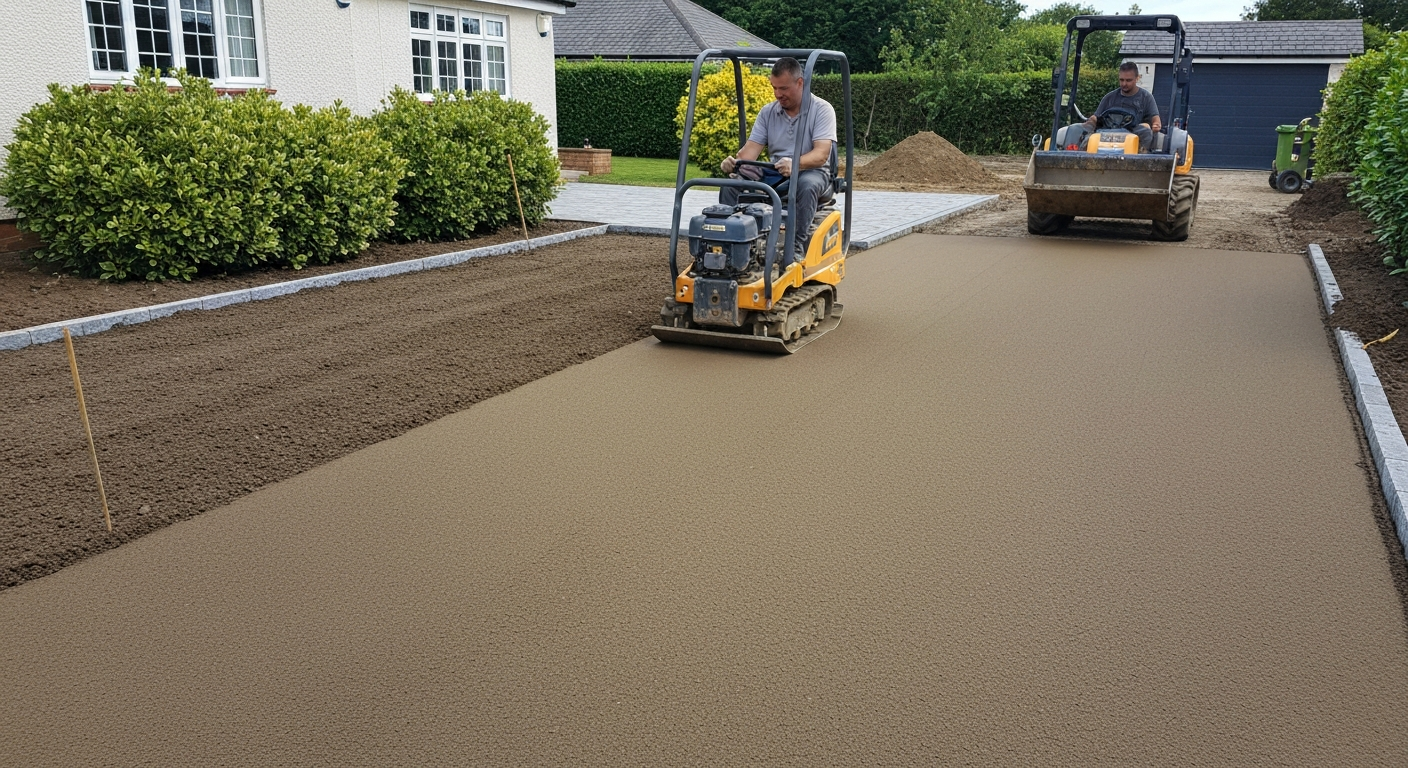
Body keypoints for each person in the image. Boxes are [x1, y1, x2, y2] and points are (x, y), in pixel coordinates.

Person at [719, 57, 836, 266]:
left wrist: (795, 164)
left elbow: (821, 154)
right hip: (776, 172)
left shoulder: (822, 110)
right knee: (731, 185)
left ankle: (796, 247)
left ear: (800, 83)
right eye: (774, 88)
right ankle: (731, 243)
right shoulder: (768, 112)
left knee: (805, 185)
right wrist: (733, 163)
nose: (777, 94)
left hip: (812, 171)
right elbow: (749, 153)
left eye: (783, 88)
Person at [1085, 61, 1162, 152]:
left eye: (1128, 80)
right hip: (1107, 133)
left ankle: (1142, 156)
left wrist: (1156, 124)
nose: (1124, 84)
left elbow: (1156, 119)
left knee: (1146, 131)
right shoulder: (1109, 98)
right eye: (1121, 80)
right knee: (1080, 130)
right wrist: (1090, 122)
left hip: (1132, 134)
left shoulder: (1146, 97)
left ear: (1137, 78)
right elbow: (1096, 117)